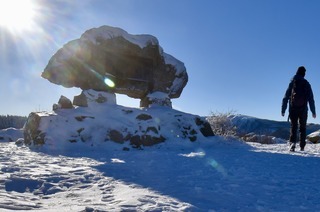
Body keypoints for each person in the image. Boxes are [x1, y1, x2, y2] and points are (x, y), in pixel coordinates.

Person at [281, 66, 316, 152]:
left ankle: (292, 144)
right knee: (303, 128)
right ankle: (302, 147)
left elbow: (286, 97)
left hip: (293, 108)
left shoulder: (292, 82)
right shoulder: (306, 83)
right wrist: (313, 111)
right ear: (304, 74)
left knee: (294, 126)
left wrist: (283, 109)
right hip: (303, 109)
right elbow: (311, 99)